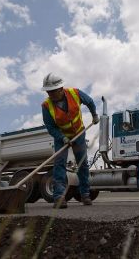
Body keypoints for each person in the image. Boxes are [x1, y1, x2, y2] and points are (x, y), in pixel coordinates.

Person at [41, 73, 99, 209]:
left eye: (52, 91)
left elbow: (90, 101)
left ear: (60, 89)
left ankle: (85, 194)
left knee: (82, 164)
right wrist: (62, 137)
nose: (50, 95)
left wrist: (94, 115)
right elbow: (50, 127)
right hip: (61, 137)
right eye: (48, 92)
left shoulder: (75, 93)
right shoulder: (46, 106)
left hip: (78, 133)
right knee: (60, 164)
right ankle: (59, 197)